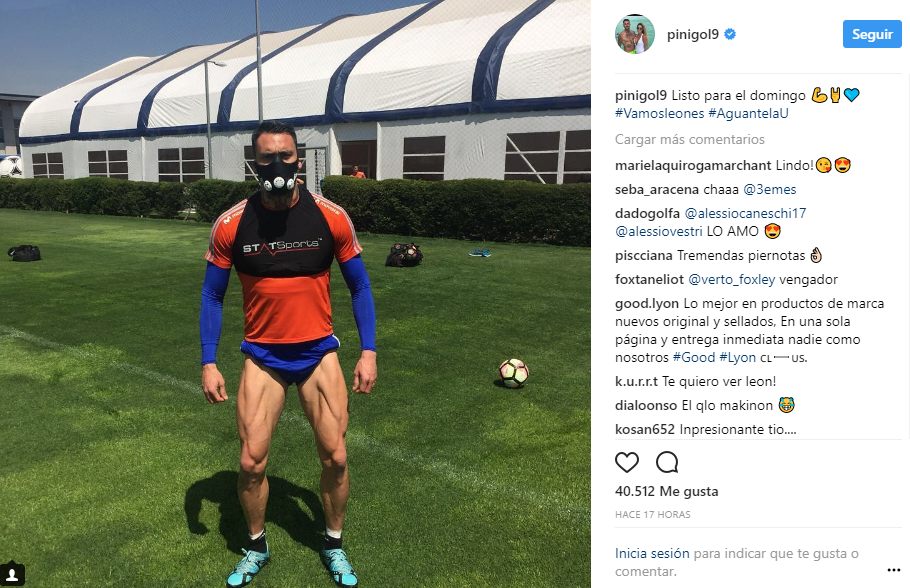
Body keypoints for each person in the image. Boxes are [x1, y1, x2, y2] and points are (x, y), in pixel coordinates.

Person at [200, 120, 377, 588]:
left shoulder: (330, 216)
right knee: (250, 462)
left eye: (285, 155)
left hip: (318, 353)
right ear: (254, 164)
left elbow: (359, 286)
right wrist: (208, 361)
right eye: (267, 158)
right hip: (263, 357)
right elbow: (212, 295)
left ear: (299, 159)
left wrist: (369, 351)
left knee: (335, 457)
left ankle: (333, 543)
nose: (277, 165)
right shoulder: (233, 223)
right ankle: (256, 547)